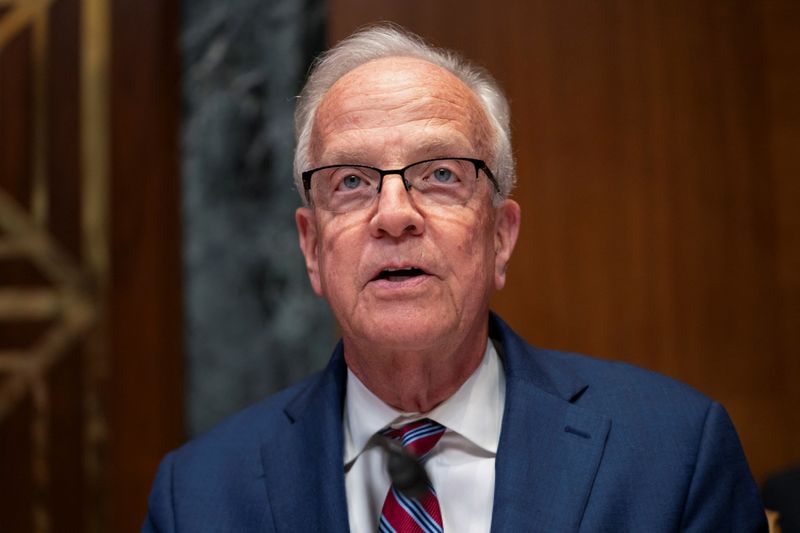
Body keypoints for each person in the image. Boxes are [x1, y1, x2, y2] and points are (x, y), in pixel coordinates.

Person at [143, 24, 767, 532]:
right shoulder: (197, 498)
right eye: (352, 182)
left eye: (441, 175)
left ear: (500, 237)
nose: (394, 216)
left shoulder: (673, 454)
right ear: (311, 247)